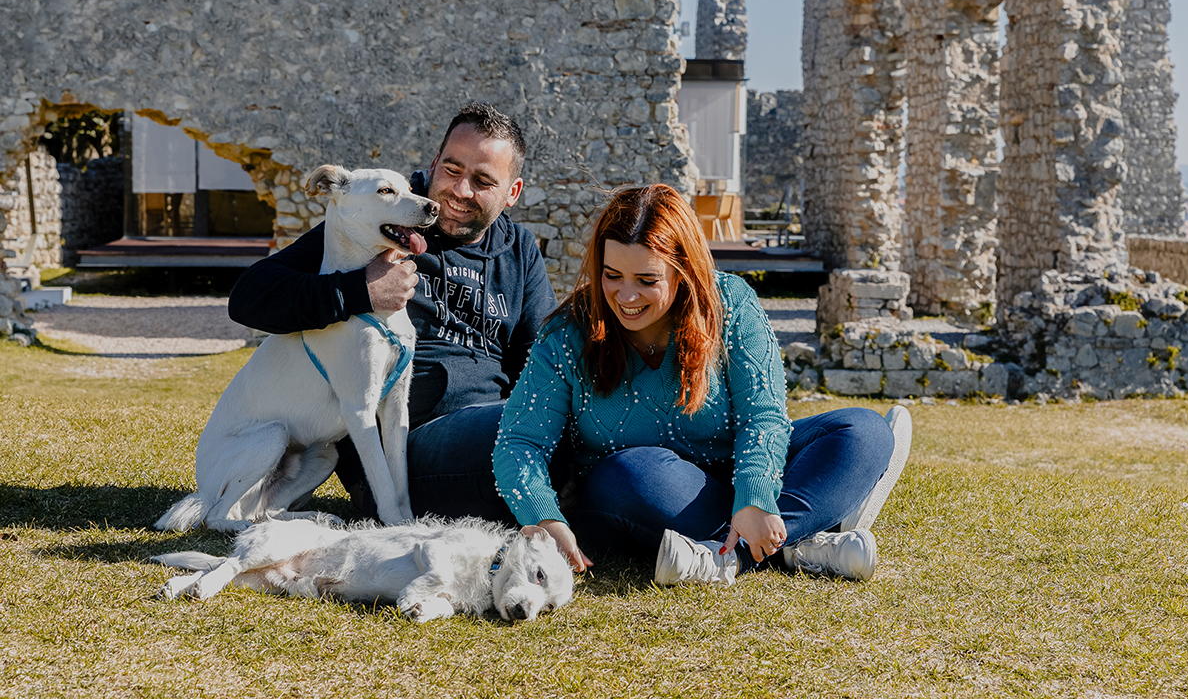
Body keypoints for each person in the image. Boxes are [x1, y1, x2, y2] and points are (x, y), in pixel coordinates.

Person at [493, 184, 912, 585]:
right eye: (611, 275)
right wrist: (544, 518)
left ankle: (737, 555)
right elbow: (519, 440)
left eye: (647, 280)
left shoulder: (731, 303)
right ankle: (804, 541)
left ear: (683, 273)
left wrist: (754, 495)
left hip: (735, 474)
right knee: (630, 472)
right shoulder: (569, 331)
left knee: (863, 431)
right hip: (645, 493)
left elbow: (763, 416)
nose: (625, 295)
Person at [228, 101, 560, 522]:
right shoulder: (382, 216)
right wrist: (360, 289)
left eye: (482, 180)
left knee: (573, 429)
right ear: (435, 161)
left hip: (491, 426)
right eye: (452, 170)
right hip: (401, 451)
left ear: (512, 192)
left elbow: (540, 358)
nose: (460, 191)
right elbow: (250, 298)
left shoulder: (519, 251)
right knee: (533, 434)